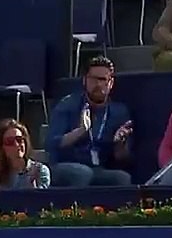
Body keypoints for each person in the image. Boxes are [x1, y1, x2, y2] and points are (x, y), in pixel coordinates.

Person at [44, 56, 133, 187]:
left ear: (111, 83)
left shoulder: (119, 112)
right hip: (65, 166)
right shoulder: (68, 104)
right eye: (93, 79)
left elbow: (122, 158)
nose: (97, 84)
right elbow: (51, 144)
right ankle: (75, 208)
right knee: (81, 173)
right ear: (85, 80)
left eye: (102, 80)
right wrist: (80, 131)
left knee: (122, 178)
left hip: (98, 168)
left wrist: (119, 144)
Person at [0, 119, 51, 190]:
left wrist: (33, 190)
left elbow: (41, 198)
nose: (17, 145)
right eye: (9, 142)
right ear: (2, 147)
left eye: (19, 139)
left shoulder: (39, 171)